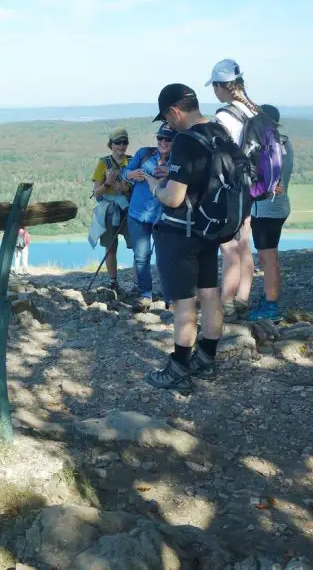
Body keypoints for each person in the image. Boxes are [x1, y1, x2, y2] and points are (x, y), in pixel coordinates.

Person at [142, 84, 228, 394]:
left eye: (167, 117)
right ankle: (207, 359)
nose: (168, 124)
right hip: (210, 229)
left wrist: (155, 185)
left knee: (184, 302)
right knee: (210, 295)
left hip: (182, 233)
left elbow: (174, 197)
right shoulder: (220, 132)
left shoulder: (185, 142)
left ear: (175, 111)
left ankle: (178, 367)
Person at [207, 58, 259, 322]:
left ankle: (226, 302)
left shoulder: (224, 116)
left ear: (220, 86)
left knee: (227, 246)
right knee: (245, 244)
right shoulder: (254, 111)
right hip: (251, 186)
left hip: (231, 188)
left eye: (214, 86)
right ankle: (242, 298)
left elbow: (219, 156)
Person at [249, 105, 294, 321]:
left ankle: (271, 305)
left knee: (268, 258)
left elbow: (262, 179)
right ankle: (270, 298)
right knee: (271, 256)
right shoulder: (284, 142)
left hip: (266, 208)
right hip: (280, 205)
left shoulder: (267, 147)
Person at [124, 123, 175, 310]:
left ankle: (171, 296)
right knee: (141, 257)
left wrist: (170, 174)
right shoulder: (144, 154)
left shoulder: (177, 162)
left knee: (165, 257)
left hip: (162, 216)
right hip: (137, 214)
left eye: (168, 139)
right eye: (160, 138)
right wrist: (130, 173)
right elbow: (125, 173)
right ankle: (145, 294)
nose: (162, 142)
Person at [89, 127, 133, 294]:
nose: (121, 146)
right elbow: (96, 193)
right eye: (118, 142)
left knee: (137, 247)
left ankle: (138, 283)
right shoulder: (103, 163)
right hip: (110, 210)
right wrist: (108, 183)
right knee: (110, 247)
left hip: (128, 208)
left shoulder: (132, 161)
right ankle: (113, 282)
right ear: (111, 144)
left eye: (124, 142)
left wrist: (125, 188)